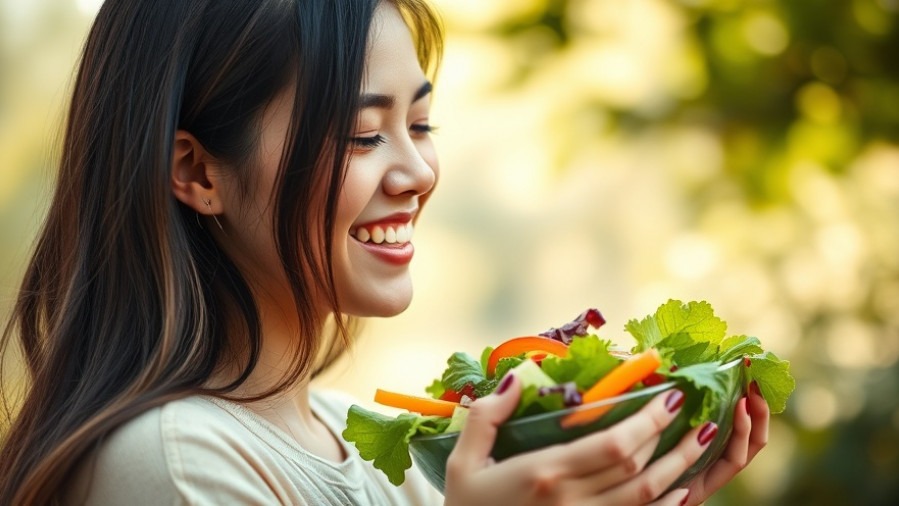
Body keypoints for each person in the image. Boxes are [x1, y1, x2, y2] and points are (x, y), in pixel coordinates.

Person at [0, 0, 769, 504]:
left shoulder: (385, 455)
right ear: (199, 172)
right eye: (364, 133)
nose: (418, 172)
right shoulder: (173, 463)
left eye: (421, 126)